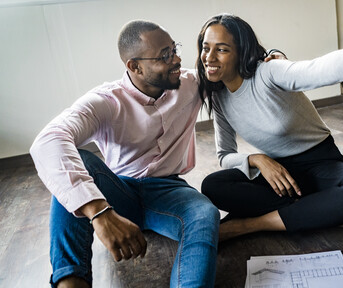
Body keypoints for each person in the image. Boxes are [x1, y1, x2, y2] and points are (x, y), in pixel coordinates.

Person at [197, 13, 343, 242]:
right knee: (213, 186)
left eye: (222, 49)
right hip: (281, 171)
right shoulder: (219, 98)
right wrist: (258, 160)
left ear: (241, 53)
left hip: (320, 161)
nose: (209, 57)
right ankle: (325, 214)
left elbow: (322, 68)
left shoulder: (268, 72)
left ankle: (250, 225)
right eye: (206, 48)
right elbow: (225, 155)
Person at [30, 20, 222, 288]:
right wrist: (100, 213)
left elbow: (235, 66)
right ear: (135, 66)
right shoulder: (106, 101)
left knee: (204, 213)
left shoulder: (191, 84)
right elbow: (48, 141)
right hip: (118, 191)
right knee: (76, 164)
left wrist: (271, 57)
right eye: (165, 55)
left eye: (174, 49)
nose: (177, 59)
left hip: (169, 191)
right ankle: (71, 282)